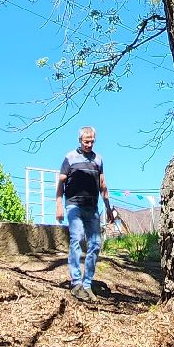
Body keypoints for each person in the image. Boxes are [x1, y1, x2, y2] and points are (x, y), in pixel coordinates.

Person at [55, 126, 117, 299]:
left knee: (96, 243)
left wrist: (108, 207)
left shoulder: (98, 160)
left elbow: (102, 184)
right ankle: (76, 282)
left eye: (92, 141)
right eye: (86, 141)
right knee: (78, 237)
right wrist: (59, 204)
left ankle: (87, 283)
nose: (89, 144)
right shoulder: (70, 157)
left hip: (92, 207)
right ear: (80, 140)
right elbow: (61, 181)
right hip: (73, 204)